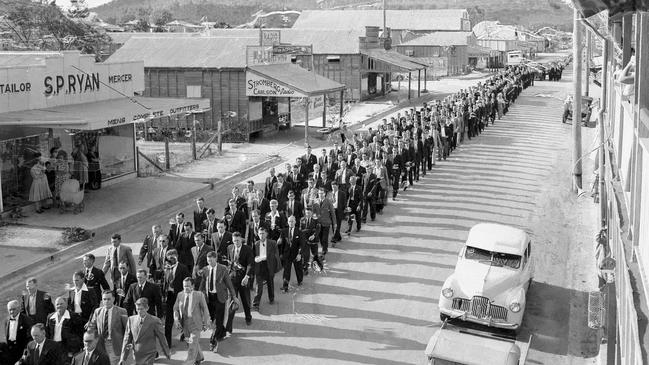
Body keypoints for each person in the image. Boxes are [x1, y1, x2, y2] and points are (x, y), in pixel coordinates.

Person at [199, 251, 235, 349]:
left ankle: (213, 341)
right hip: (209, 298)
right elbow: (202, 283)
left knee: (219, 320)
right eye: (208, 260)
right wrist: (198, 295)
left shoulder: (223, 269)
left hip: (220, 298)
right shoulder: (205, 269)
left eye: (211, 260)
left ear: (215, 259)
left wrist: (234, 297)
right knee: (210, 319)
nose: (209, 262)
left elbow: (229, 284)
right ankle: (218, 334)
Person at [119, 298, 170, 365]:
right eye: (138, 309)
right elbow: (127, 339)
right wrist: (123, 357)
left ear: (147, 308)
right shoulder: (131, 320)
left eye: (141, 309)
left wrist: (167, 352)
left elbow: (162, 337)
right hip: (136, 354)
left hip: (149, 354)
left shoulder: (154, 321)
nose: (139, 311)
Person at [86, 291, 129, 365]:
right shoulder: (97, 311)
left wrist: (127, 345)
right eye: (104, 299)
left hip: (114, 344)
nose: (106, 301)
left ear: (113, 299)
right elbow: (92, 327)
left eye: (108, 299)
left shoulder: (122, 311)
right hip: (101, 345)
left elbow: (127, 330)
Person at [172, 278, 210, 362]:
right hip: (184, 324)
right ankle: (199, 357)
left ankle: (189, 362)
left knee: (192, 345)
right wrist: (176, 320)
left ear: (193, 286)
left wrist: (206, 321)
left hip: (195, 324)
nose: (186, 288)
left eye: (188, 286)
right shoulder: (180, 295)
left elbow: (205, 308)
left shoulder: (199, 295)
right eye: (184, 286)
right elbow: (175, 308)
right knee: (190, 343)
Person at [162, 250, 191, 348]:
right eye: (169, 256)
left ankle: (185, 334)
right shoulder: (165, 268)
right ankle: (167, 343)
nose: (171, 258)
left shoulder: (183, 268)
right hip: (169, 296)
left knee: (183, 317)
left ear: (177, 256)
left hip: (180, 296)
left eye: (173, 256)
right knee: (168, 320)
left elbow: (188, 282)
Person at [225, 232, 254, 330]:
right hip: (232, 279)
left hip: (243, 279)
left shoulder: (248, 249)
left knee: (245, 300)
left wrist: (247, 277)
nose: (236, 243)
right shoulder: (229, 248)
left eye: (237, 240)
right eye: (234, 241)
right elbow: (229, 262)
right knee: (232, 301)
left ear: (241, 239)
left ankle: (248, 317)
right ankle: (229, 327)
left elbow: (250, 264)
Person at [252, 226, 281, 311]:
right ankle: (256, 303)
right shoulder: (256, 244)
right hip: (259, 266)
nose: (261, 235)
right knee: (259, 286)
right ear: (257, 234)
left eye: (263, 233)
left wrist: (265, 258)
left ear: (266, 234)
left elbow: (276, 255)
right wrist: (255, 259)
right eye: (260, 234)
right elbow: (253, 255)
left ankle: (271, 298)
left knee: (270, 284)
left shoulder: (272, 243)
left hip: (269, 266)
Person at [47, 297, 83, 364]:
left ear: (66, 305)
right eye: (57, 304)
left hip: (67, 347)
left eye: (61, 304)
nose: (59, 306)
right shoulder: (50, 317)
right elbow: (48, 333)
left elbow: (79, 334)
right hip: (54, 346)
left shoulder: (74, 317)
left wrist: (75, 349)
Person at [279, 215, 303, 292]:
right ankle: (285, 286)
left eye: (292, 221)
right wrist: (281, 253)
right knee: (286, 270)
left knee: (298, 268)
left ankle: (300, 280)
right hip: (287, 254)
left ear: (295, 222)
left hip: (296, 254)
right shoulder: (284, 231)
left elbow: (302, 244)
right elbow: (281, 243)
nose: (291, 223)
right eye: (289, 221)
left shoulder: (299, 232)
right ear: (288, 222)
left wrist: (299, 254)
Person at [6, 300, 32, 364]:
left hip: (22, 350)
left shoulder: (27, 320)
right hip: (10, 350)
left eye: (14, 309)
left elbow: (30, 338)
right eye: (10, 310)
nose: (12, 312)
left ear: (19, 308)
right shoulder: (6, 321)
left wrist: (25, 353)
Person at [313, 188, 336, 260]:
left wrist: (334, 223)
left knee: (324, 238)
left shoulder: (328, 201)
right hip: (319, 223)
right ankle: (324, 247)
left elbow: (332, 212)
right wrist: (313, 220)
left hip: (326, 222)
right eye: (319, 193)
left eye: (322, 193)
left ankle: (324, 251)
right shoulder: (315, 201)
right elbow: (313, 212)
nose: (321, 195)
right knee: (320, 237)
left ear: (324, 194)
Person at [299, 207, 323, 274]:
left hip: (314, 240)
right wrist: (307, 231)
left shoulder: (316, 220)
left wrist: (314, 235)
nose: (307, 214)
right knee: (306, 255)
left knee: (315, 254)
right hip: (306, 240)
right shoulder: (302, 220)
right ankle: (305, 269)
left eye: (309, 213)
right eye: (306, 213)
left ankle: (318, 266)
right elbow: (301, 229)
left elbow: (318, 229)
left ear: (312, 213)